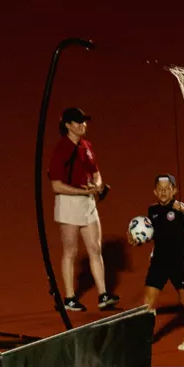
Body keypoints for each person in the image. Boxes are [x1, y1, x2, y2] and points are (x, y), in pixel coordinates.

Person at [48, 106, 119, 314]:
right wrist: (80, 192)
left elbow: (96, 172)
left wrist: (97, 185)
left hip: (87, 202)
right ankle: (69, 297)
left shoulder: (86, 146)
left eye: (84, 121)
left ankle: (103, 294)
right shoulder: (61, 149)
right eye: (78, 122)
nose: (83, 125)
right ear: (68, 125)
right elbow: (56, 185)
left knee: (95, 248)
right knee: (70, 251)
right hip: (69, 203)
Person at [130, 173, 184, 351]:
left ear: (174, 191)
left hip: (179, 262)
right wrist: (138, 240)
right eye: (160, 189)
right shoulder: (152, 210)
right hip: (159, 261)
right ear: (155, 192)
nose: (163, 192)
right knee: (148, 301)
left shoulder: (180, 208)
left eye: (167, 189)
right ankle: (145, 339)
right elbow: (154, 234)